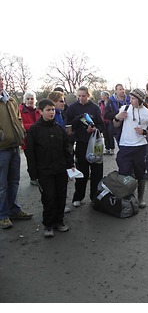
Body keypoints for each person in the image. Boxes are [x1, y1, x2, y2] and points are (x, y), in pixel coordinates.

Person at [25, 99, 75, 237]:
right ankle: (48, 224)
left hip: (60, 169)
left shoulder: (59, 128)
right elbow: (30, 153)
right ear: (40, 112)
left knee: (61, 196)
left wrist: (70, 166)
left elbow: (66, 149)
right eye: (48, 110)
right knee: (49, 198)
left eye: (53, 109)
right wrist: (33, 173)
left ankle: (59, 221)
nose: (51, 112)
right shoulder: (35, 130)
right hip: (44, 171)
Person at [113, 88, 148, 208]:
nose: (130, 100)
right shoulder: (125, 109)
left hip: (140, 147)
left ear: (140, 99)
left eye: (133, 98)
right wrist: (117, 117)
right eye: (130, 98)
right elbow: (115, 124)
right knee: (124, 172)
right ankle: (126, 197)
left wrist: (144, 132)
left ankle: (140, 198)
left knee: (140, 173)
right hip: (125, 146)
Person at [0, 75, 33, 229]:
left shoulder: (10, 100)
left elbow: (18, 119)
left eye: (2, 80)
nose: (1, 82)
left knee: (14, 181)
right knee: (2, 184)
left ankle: (14, 209)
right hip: (1, 148)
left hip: (14, 145)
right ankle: (3, 214)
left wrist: (21, 133)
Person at [65, 86, 105, 206]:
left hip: (95, 144)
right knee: (82, 172)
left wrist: (94, 129)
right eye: (79, 96)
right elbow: (68, 125)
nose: (81, 98)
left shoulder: (95, 108)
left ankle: (95, 197)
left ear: (88, 95)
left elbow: (101, 125)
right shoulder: (72, 108)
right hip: (81, 143)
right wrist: (78, 120)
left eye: (83, 96)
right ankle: (78, 197)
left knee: (97, 172)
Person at [19, 90, 41, 185]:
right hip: (27, 139)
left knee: (39, 158)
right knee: (31, 159)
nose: (30, 101)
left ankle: (40, 176)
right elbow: (21, 125)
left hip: (38, 138)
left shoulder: (38, 110)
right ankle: (33, 178)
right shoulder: (20, 110)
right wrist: (34, 126)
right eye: (28, 99)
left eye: (32, 99)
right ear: (24, 100)